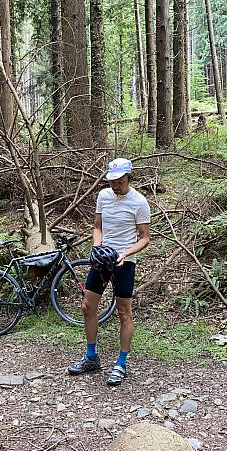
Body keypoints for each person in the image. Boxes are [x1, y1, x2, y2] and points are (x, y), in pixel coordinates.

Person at [67, 157, 151, 386]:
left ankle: (121, 363)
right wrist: (96, 247)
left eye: (120, 181)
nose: (115, 186)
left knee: (124, 312)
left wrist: (125, 254)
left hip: (125, 262)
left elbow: (145, 238)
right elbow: (97, 227)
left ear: (128, 177)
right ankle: (91, 357)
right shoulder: (103, 196)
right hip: (102, 259)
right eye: (112, 181)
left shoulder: (139, 202)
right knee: (87, 306)